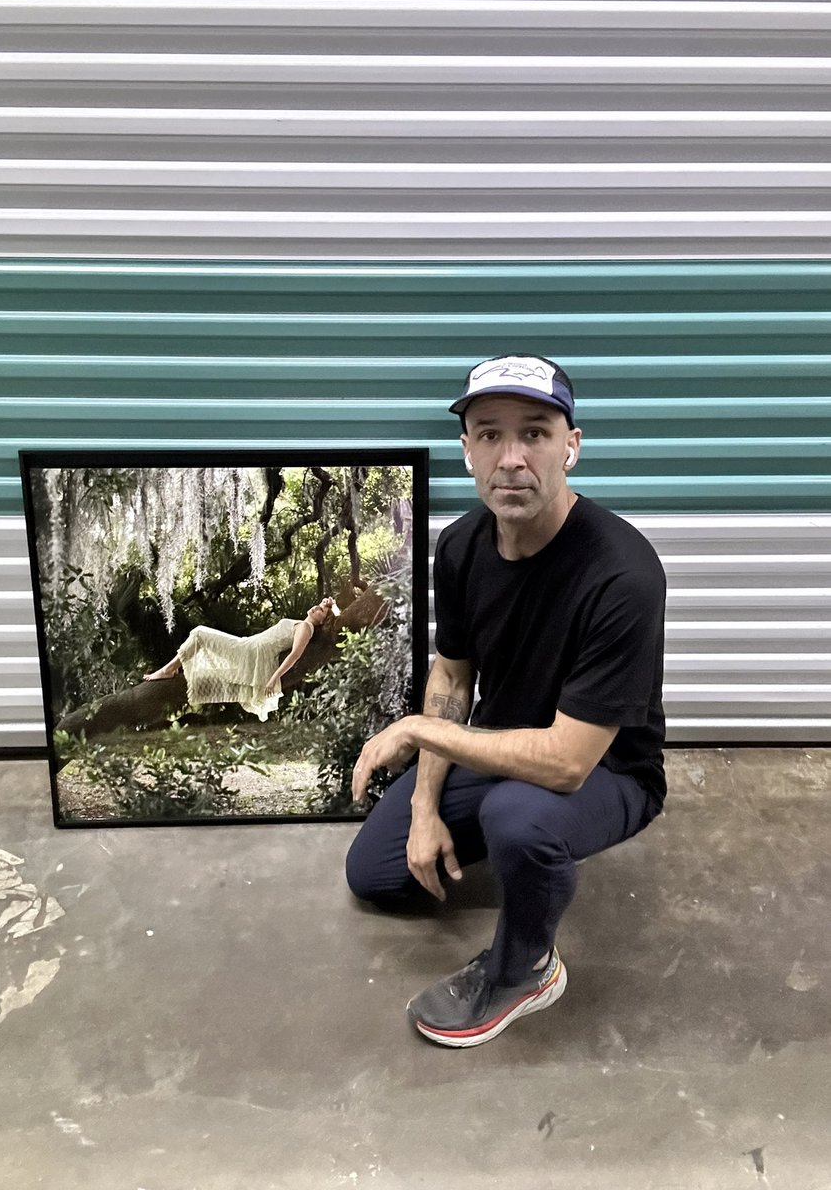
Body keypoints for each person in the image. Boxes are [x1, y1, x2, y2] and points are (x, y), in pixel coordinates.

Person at [346, 353, 666, 1047]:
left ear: (572, 447)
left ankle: (526, 968)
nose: (511, 458)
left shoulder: (623, 574)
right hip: (503, 744)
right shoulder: (460, 547)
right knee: (374, 872)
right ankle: (514, 844)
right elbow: (453, 679)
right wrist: (426, 805)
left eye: (536, 433)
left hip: (607, 768)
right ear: (467, 451)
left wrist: (417, 733)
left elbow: (566, 765)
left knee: (519, 816)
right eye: (489, 434)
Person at [144, 597, 338, 722]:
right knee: (200, 636)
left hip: (251, 653)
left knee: (199, 633)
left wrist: (273, 679)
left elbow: (295, 655)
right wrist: (331, 604)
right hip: (248, 646)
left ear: (322, 621)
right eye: (318, 605)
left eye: (321, 611)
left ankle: (168, 669)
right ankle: (171, 669)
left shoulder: (306, 628)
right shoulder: (302, 623)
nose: (316, 608)